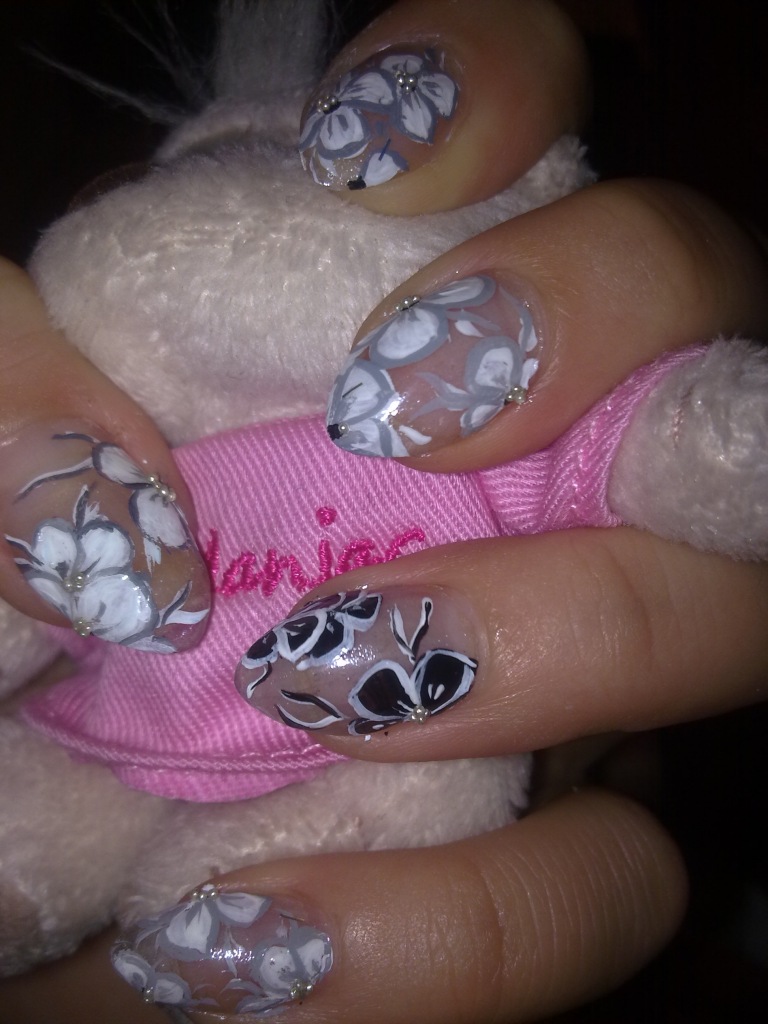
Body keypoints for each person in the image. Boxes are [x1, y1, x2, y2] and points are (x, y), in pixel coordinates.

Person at [1, 1, 766, 1020]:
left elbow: (648, 448)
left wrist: (722, 434)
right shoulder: (99, 451)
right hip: (99, 737)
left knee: (406, 808)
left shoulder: (490, 427)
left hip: (394, 773)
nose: (258, 218)